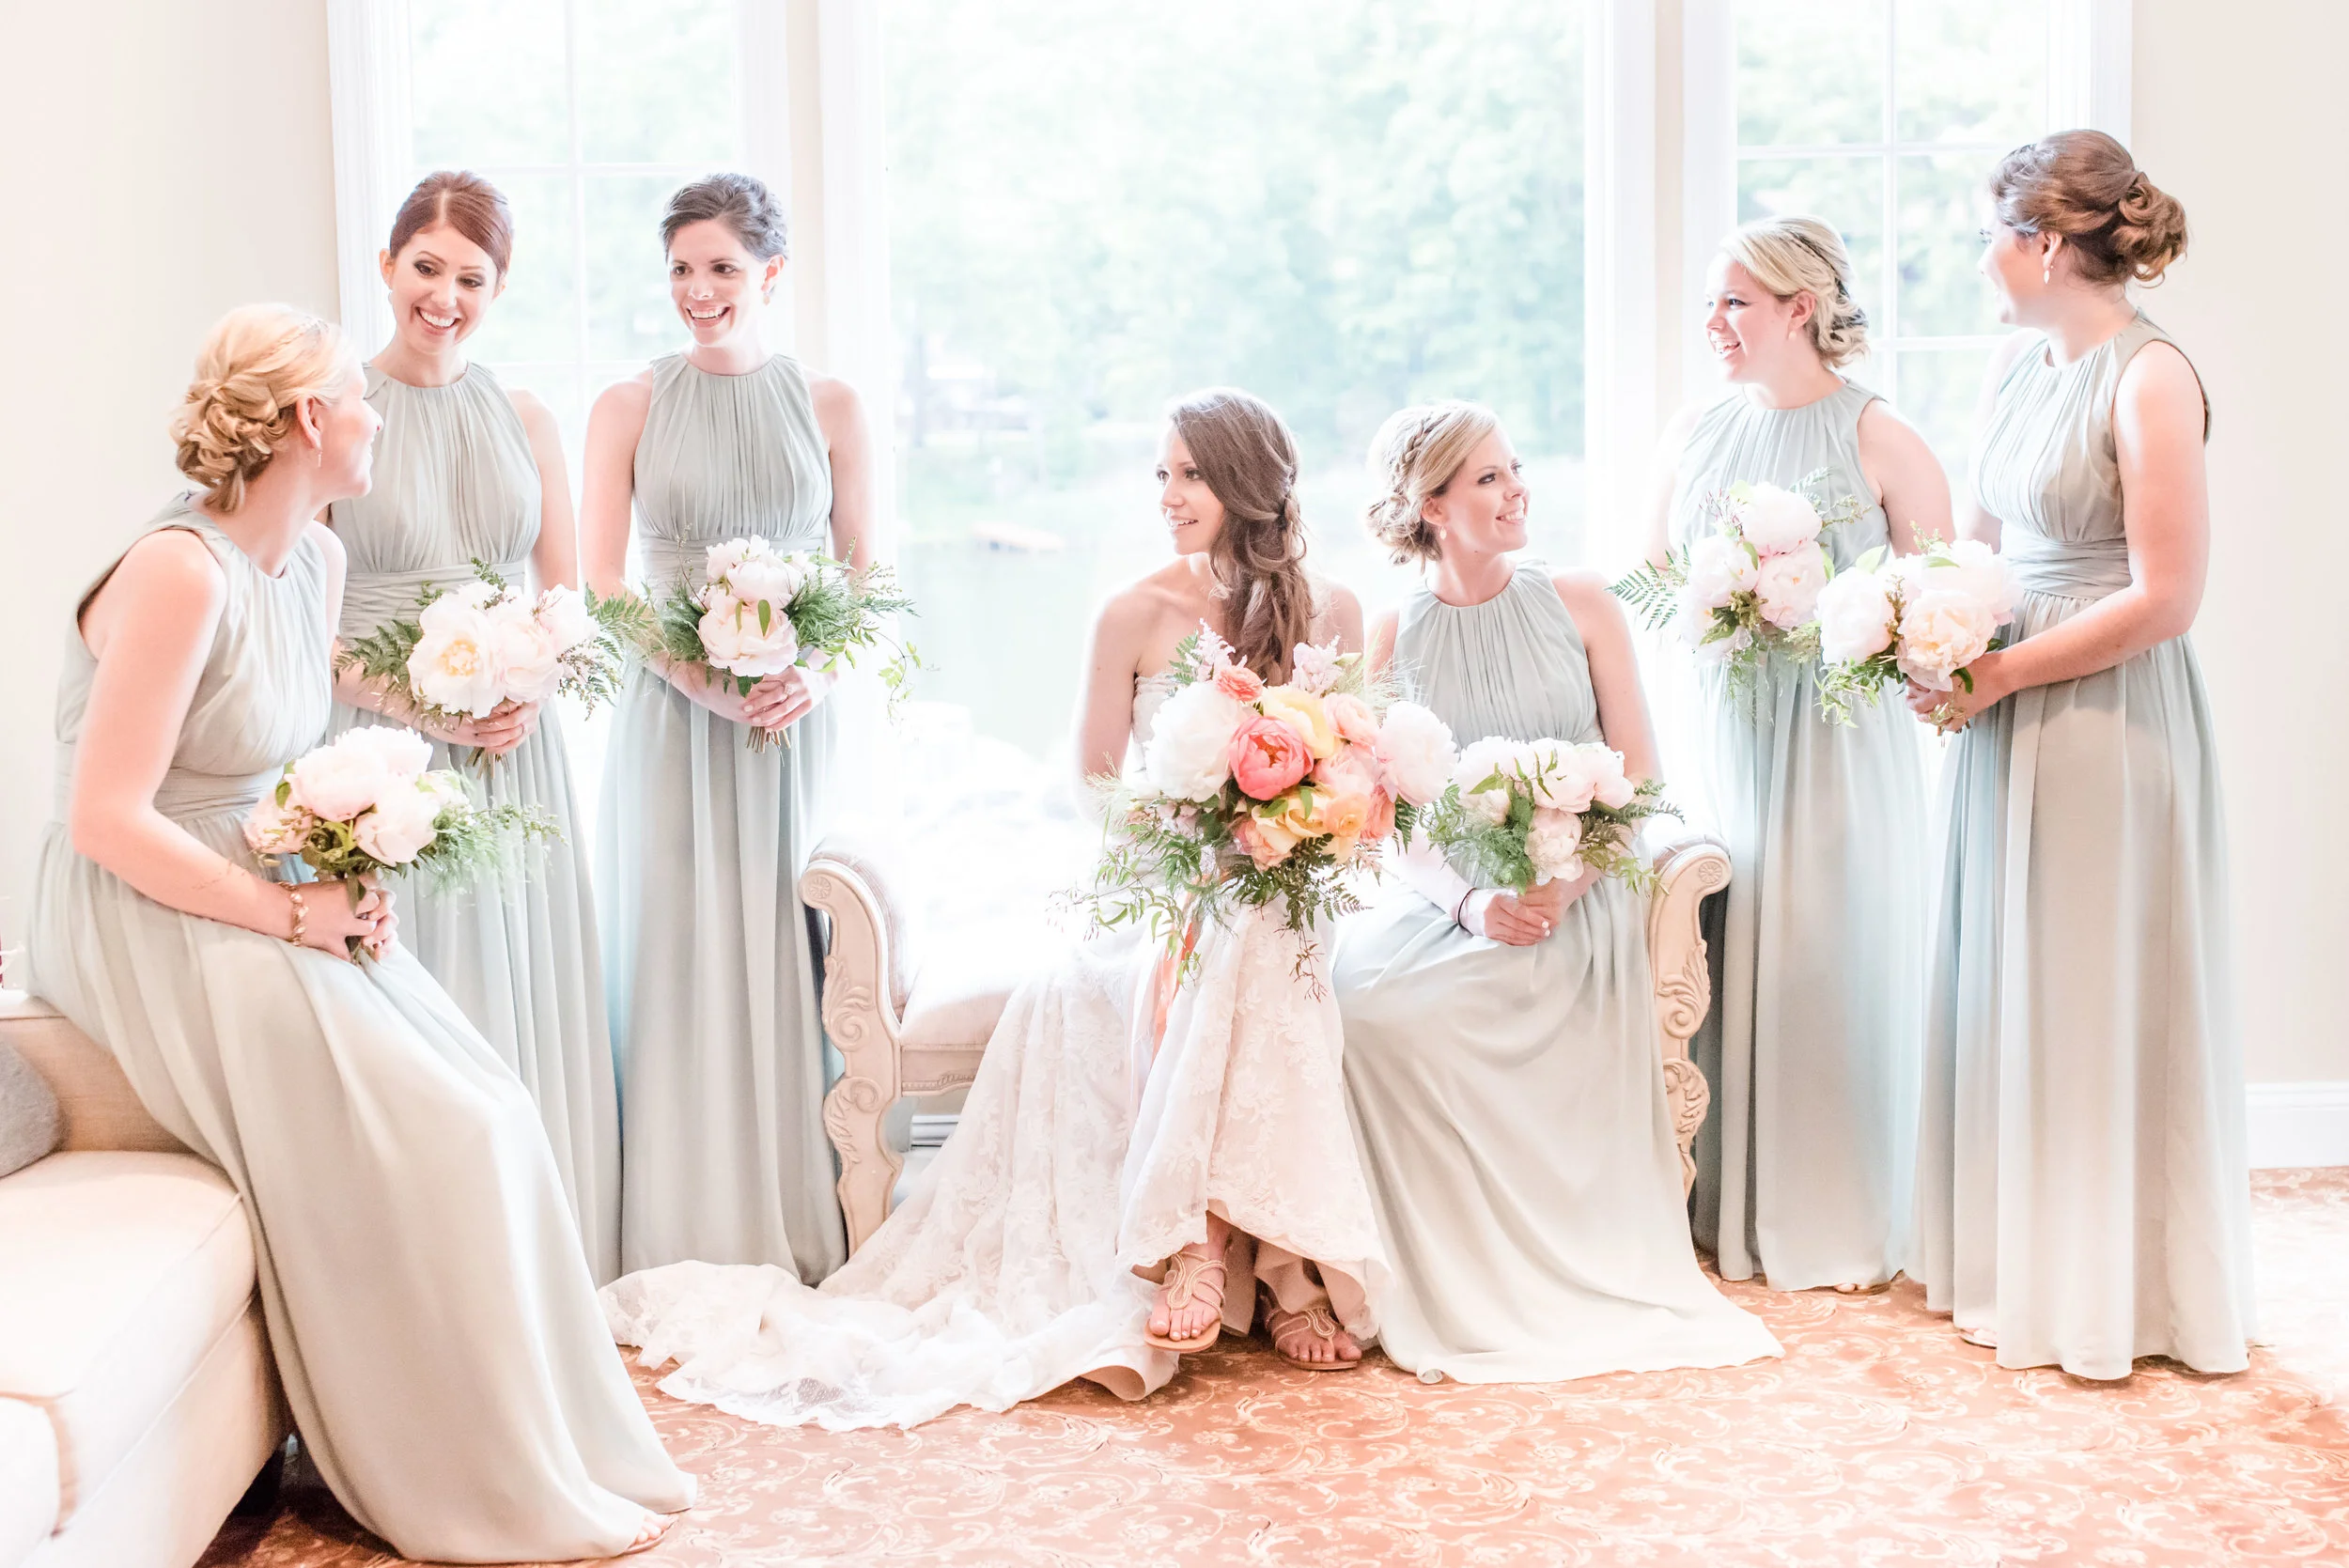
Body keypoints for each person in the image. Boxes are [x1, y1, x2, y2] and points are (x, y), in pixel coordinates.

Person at [29, 303, 691, 1561]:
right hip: (142, 903)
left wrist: (349, 846)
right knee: (436, 1129)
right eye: (359, 400)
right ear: (306, 420)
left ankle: (553, 1448)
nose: (378, 418)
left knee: (491, 1101)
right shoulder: (177, 571)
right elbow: (108, 820)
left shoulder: (316, 560)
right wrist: (290, 909)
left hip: (260, 874)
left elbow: (282, 740)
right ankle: (462, 1475)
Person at [602, 388, 1384, 1429]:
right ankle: (1273, 1264)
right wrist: (1201, 832)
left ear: (1248, 482)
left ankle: (1213, 1242)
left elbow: (1357, 768)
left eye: (1191, 474)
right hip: (1168, 881)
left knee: (1261, 930)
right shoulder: (1132, 612)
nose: (1167, 495)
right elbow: (1096, 787)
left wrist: (1289, 826)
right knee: (1226, 936)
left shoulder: (1336, 611)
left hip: (1290, 885)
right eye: (1161, 473)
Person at [1332, 399, 1782, 1384]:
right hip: (1454, 898)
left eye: (1516, 468)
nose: (1517, 491)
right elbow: (1387, 817)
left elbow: (1641, 777)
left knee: (1473, 993)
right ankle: (1445, 1265)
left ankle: (1553, 1259)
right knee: (1363, 1006)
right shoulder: (1390, 632)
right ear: (1432, 507)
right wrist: (1469, 905)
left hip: (1581, 888)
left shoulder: (1582, 601)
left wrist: (1565, 887)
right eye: (1489, 477)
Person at [1910, 131, 2252, 1377]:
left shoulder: (2150, 378)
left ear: (2047, 244)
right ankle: (2023, 1263)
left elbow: (2167, 597)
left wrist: (2000, 672)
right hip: (2002, 707)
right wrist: (1926, 638)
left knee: (2091, 987)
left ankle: (2118, 1290)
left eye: (1988, 237)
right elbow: (1976, 548)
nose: (1979, 261)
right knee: (2015, 980)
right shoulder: (2014, 369)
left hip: (2105, 716)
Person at [325, 170, 619, 1281]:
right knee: (421, 988)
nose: (444, 297)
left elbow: (565, 595)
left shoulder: (525, 416)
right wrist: (416, 704)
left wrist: (528, 685)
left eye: (471, 278)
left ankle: (544, 1253)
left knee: (521, 980)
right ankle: (436, 1266)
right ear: (387, 264)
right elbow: (299, 613)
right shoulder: (334, 410)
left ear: (499, 289)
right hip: (381, 751)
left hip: (511, 750)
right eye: (426, 268)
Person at [1644, 215, 1947, 1292]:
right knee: (1720, 948)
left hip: (1835, 743)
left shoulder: (1881, 436)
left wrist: (1828, 616)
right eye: (1710, 303)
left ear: (1798, 309)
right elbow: (1649, 579)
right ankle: (1720, 1201)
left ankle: (1836, 1208)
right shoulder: (1696, 429)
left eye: (1734, 301)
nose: (1713, 323)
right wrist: (1717, 602)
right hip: (1724, 729)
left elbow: (1936, 606)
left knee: (1824, 954)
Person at [582, 172, 872, 1280]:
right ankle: (677, 1222)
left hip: (790, 722)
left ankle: (794, 1213)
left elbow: (868, 578)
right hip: (672, 718)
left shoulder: (831, 405)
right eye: (681, 270)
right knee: (676, 949)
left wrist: (816, 676)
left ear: (771, 274)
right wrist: (697, 681)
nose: (698, 291)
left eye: (722, 268)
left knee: (788, 948)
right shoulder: (629, 405)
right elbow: (603, 585)